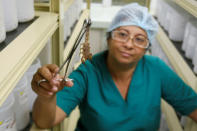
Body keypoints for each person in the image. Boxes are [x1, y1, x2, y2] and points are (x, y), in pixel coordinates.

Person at [31, 3, 197, 131]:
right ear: (109, 37)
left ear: (148, 47)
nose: (129, 44)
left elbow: (192, 106)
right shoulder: (88, 71)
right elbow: (45, 121)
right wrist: (46, 94)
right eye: (122, 34)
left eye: (139, 39)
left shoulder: (156, 69)